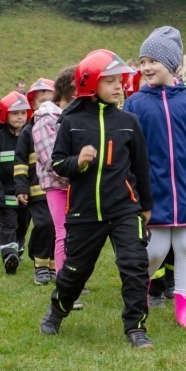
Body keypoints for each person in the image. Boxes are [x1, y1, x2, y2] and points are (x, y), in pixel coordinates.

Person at [39, 50, 155, 349]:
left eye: (120, 81)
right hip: (84, 212)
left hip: (125, 209)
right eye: (111, 81)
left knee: (135, 265)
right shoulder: (71, 122)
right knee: (75, 273)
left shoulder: (129, 121)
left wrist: (146, 207)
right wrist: (79, 160)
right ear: (90, 84)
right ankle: (57, 310)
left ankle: (136, 328)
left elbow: (141, 167)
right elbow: (58, 164)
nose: (119, 87)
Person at [123, 26, 186, 331]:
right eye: (143, 60)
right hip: (154, 192)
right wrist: (134, 189)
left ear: (173, 65)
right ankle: (139, 291)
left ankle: (184, 306)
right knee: (157, 249)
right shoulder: (135, 103)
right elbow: (129, 152)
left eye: (154, 60)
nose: (147, 67)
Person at [32, 67, 77, 287]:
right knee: (64, 232)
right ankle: (65, 282)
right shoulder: (46, 119)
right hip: (59, 186)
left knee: (79, 234)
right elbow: (52, 162)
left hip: (80, 184)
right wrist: (81, 172)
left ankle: (75, 277)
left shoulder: (79, 116)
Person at [15, 78, 57, 285]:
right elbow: (21, 162)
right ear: (33, 104)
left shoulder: (59, 125)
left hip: (56, 187)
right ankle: (40, 266)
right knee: (44, 224)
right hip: (36, 190)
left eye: (51, 100)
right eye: (42, 101)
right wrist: (21, 188)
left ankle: (52, 265)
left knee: (56, 228)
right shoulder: (27, 131)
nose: (47, 105)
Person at [0, 92, 32, 274]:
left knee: (22, 227)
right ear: (5, 114)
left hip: (27, 195)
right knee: (8, 226)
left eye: (23, 112)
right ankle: (9, 255)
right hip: (5, 195)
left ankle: (17, 250)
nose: (20, 117)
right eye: (15, 113)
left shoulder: (31, 136)